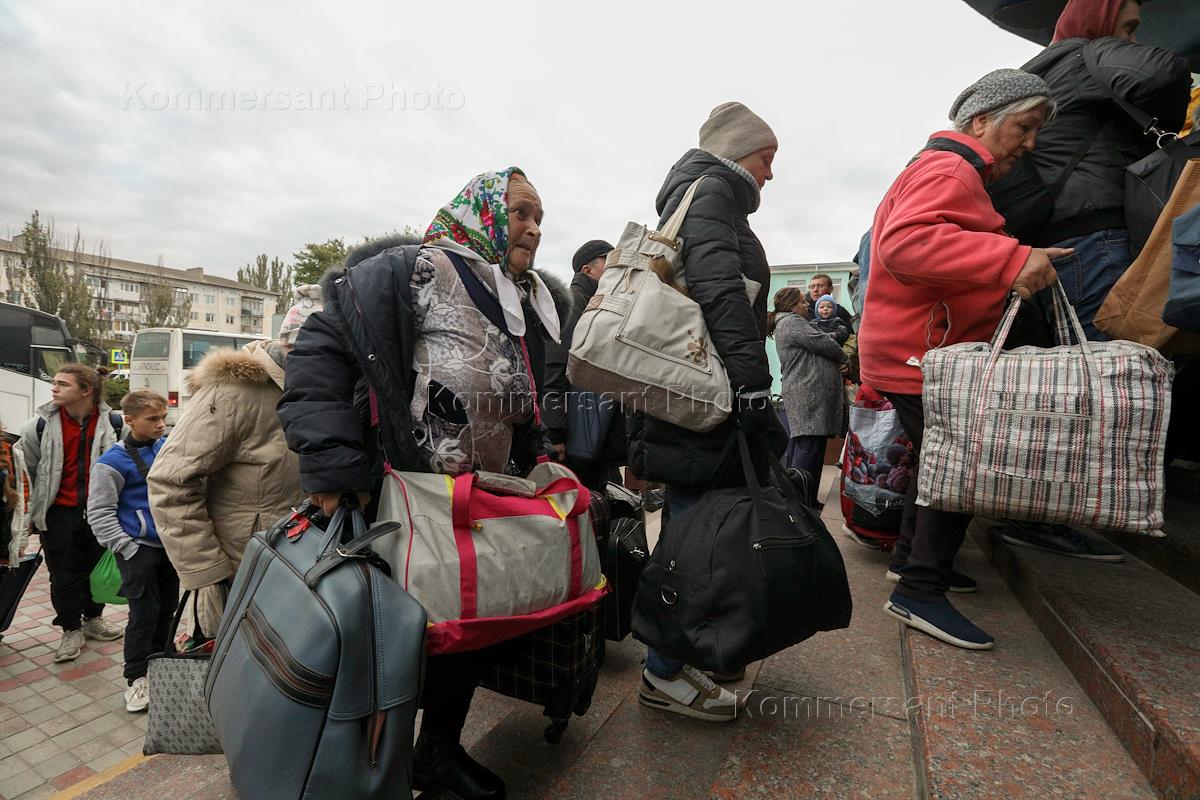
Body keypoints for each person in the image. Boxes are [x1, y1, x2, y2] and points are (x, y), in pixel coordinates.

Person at [279, 168, 569, 800]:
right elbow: (319, 352)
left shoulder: (520, 297)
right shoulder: (411, 269)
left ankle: (434, 757)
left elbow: (521, 402)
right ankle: (363, 770)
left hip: (478, 503)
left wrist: (543, 456)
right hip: (399, 499)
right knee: (391, 642)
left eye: (539, 218)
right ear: (484, 212)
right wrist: (332, 469)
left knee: (461, 639)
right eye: (521, 213)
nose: (534, 229)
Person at [858, 69, 1063, 650]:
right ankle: (919, 590)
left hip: (913, 348)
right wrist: (1012, 259)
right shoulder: (952, 168)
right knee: (963, 463)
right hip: (923, 352)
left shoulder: (942, 167)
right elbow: (906, 245)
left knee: (937, 460)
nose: (1030, 143)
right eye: (1024, 127)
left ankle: (911, 564)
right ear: (981, 121)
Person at [987, 0, 1191, 561]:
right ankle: (1048, 514)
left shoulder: (1043, 69)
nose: (1132, 38)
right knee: (1105, 379)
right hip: (1093, 232)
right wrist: (1169, 123)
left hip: (1049, 238)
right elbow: (1166, 71)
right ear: (1100, 22)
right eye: (1127, 28)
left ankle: (1029, 507)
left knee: (1065, 378)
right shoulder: (1090, 52)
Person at [630, 101, 784, 722]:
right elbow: (721, 290)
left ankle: (678, 655)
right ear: (737, 149)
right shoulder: (715, 190)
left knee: (693, 533)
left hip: (690, 396)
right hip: (706, 400)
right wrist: (753, 386)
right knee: (694, 541)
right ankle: (663, 672)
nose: (770, 174)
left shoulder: (700, 195)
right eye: (767, 158)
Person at [147, 286, 320, 637]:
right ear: (291, 345)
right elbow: (170, 480)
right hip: (238, 576)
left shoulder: (318, 391)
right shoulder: (232, 392)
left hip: (298, 572)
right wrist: (208, 570)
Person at [19, 364, 124, 663]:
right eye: (54, 382)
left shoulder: (115, 424)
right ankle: (69, 629)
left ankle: (93, 619)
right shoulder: (37, 427)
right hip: (58, 514)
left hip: (100, 512)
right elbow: (28, 473)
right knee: (63, 576)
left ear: (86, 390)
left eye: (63, 384)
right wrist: (29, 519)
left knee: (96, 570)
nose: (54, 388)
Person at [87, 389, 172, 713]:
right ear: (130, 419)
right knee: (143, 615)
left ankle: (161, 665)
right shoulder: (111, 462)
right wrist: (127, 548)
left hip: (169, 547)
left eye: (163, 418)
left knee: (166, 610)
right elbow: (100, 513)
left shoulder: (167, 447)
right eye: (153, 419)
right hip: (138, 550)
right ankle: (136, 679)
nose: (160, 425)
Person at [544, 238, 628, 491]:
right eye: (608, 263)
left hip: (596, 435)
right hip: (575, 438)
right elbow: (554, 367)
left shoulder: (601, 306)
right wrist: (555, 433)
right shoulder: (574, 303)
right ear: (587, 270)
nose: (616, 270)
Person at [770, 288, 848, 495]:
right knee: (809, 447)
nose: (807, 305)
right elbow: (823, 342)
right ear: (792, 305)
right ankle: (802, 499)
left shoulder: (788, 323)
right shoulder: (792, 322)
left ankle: (803, 497)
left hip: (805, 392)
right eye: (803, 302)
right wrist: (844, 358)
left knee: (806, 445)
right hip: (808, 394)